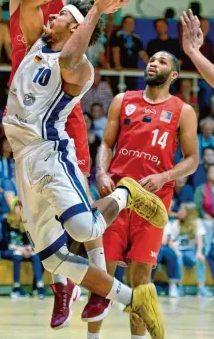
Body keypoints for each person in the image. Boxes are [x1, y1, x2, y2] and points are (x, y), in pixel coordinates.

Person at [3, 0, 167, 338]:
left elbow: (70, 56)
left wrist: (94, 8)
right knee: (54, 259)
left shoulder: (81, 68)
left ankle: (126, 193)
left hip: (50, 154)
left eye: (61, 16)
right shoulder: (36, 44)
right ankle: (130, 298)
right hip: (22, 159)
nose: (52, 15)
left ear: (75, 27)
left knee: (85, 228)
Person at [8, 0, 112, 328]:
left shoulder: (73, 1)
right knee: (43, 218)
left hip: (62, 111)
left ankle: (99, 285)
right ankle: (62, 287)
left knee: (81, 200)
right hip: (25, 116)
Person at [88, 50, 199, 339]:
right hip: (117, 195)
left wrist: (165, 176)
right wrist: (101, 172)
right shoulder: (122, 100)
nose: (154, 63)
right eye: (152, 59)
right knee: (103, 273)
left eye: (162, 61)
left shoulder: (183, 110)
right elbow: (106, 143)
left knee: (141, 280)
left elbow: (192, 159)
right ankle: (92, 337)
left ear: (173, 75)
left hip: (153, 202)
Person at [180, 9, 214, 88]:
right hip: (189, 73)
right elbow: (184, 60)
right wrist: (192, 51)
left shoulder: (209, 43)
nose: (205, 28)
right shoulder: (190, 40)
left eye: (207, 26)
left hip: (203, 76)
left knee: (205, 87)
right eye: (203, 26)